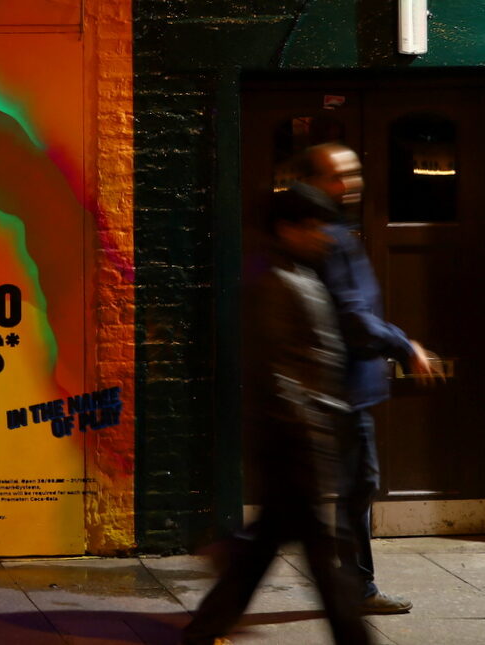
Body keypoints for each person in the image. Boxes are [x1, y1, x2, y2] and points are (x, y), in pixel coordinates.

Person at [183, 183, 371, 645]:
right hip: (294, 446)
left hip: (299, 442)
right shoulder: (275, 282)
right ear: (287, 228)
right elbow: (280, 374)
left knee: (267, 548)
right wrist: (313, 441)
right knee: (324, 559)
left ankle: (205, 627)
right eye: (314, 226)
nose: (326, 235)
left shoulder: (299, 273)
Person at [298, 142, 443, 615]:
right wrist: (405, 345)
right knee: (358, 485)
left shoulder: (329, 233)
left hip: (334, 387)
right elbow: (354, 316)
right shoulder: (330, 238)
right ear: (314, 181)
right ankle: (354, 589)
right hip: (344, 389)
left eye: (354, 173)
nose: (351, 184)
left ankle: (350, 585)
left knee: (346, 488)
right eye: (339, 175)